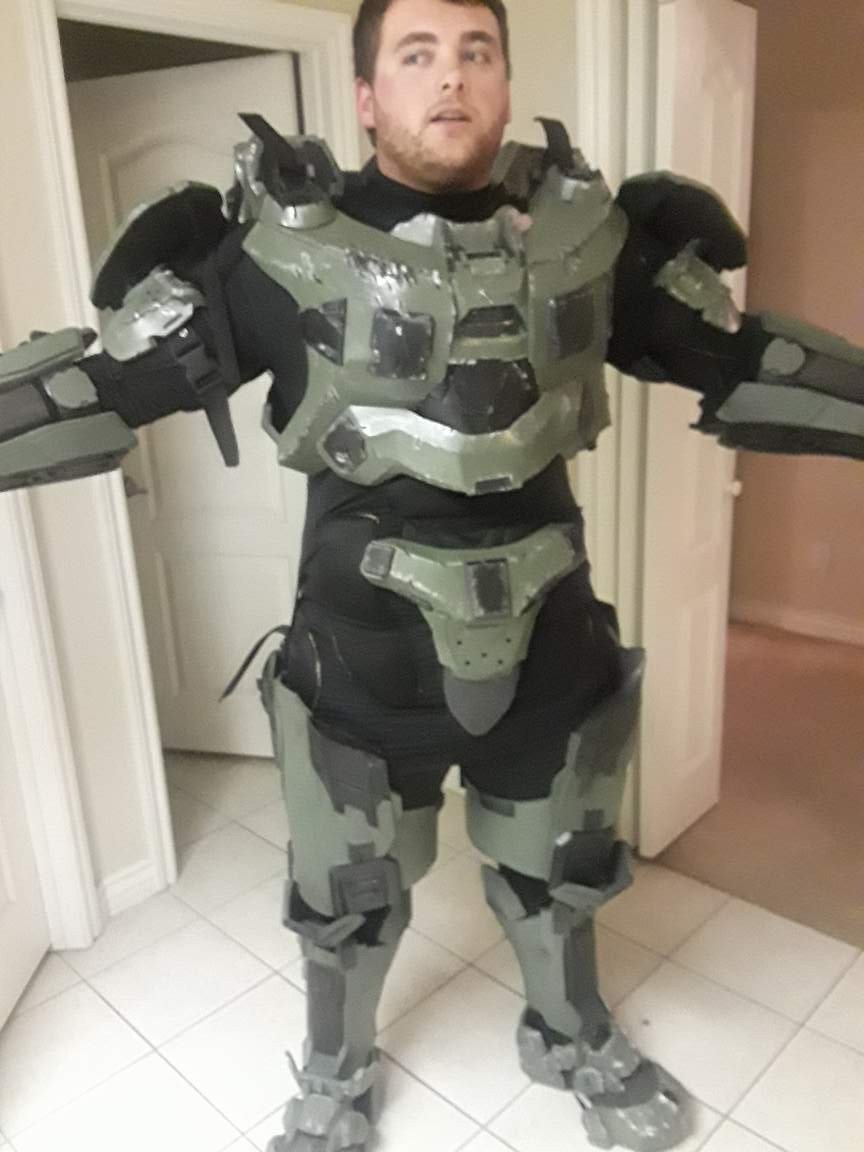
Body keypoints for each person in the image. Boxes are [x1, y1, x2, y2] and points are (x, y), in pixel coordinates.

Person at [1, 0, 862, 1148]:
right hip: (361, 654)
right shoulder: (269, 252)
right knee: (347, 899)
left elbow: (742, 359)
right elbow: (100, 385)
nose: (450, 77)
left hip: (550, 639)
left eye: (475, 52)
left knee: (563, 869)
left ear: (503, 79)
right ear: (367, 94)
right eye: (417, 55)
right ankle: (337, 1066)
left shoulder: (591, 242)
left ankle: (569, 1031)